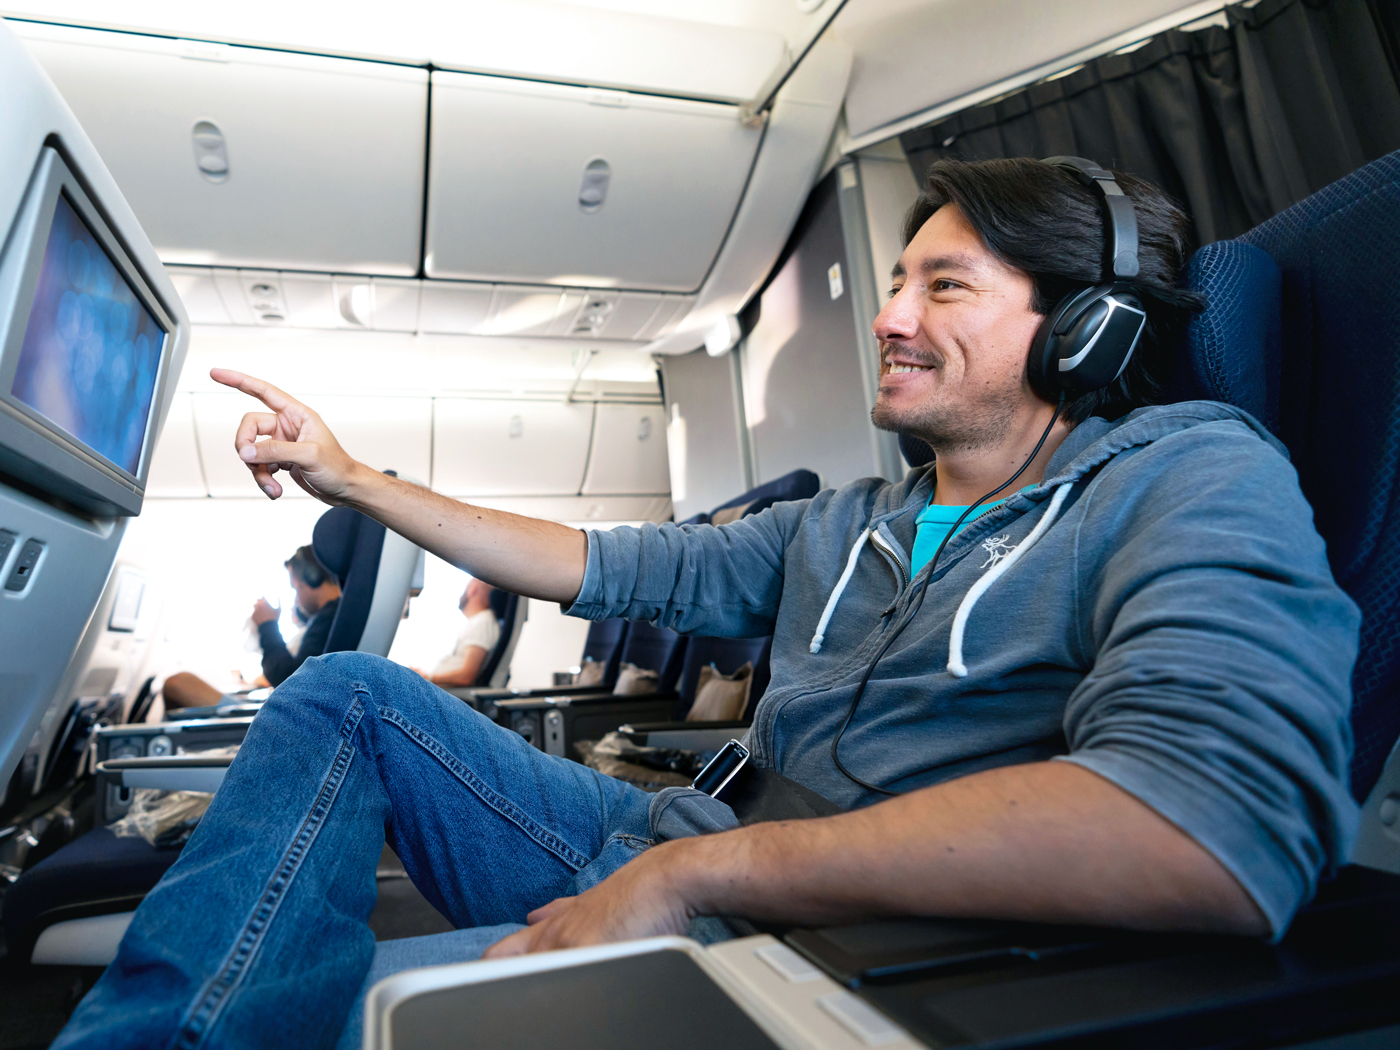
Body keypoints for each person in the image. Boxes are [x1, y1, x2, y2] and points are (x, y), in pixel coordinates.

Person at [56, 158, 1359, 1050]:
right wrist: (351, 475)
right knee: (344, 698)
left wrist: (692, 874)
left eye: (943, 285)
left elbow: (1211, 825)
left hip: (808, 920)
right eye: (896, 280)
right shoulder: (852, 520)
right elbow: (591, 559)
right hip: (667, 840)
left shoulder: (1187, 473)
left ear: (1092, 328)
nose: (892, 315)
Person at [160, 545, 341, 708]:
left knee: (177, 684)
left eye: (296, 588)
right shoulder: (332, 616)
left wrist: (267, 625)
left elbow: (290, 681)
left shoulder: (329, 617)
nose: (297, 599)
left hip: (281, 720)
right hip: (277, 712)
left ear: (313, 577)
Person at [416, 579, 500, 687]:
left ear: (472, 589)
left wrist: (426, 677)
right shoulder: (477, 622)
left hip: (449, 695)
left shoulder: (482, 622)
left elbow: (466, 677)